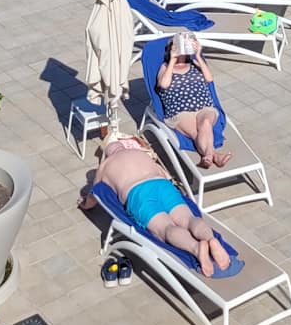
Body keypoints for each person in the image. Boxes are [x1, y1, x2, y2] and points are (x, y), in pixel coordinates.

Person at [78, 133, 231, 277]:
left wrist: (85, 204)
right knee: (189, 219)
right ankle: (210, 238)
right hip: (162, 185)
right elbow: (165, 175)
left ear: (107, 154)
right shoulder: (142, 154)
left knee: (166, 228)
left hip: (138, 193)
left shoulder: (106, 165)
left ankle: (196, 248)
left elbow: (96, 193)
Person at [156, 36, 232, 169]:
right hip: (179, 111)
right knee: (196, 134)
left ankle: (208, 157)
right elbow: (164, 84)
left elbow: (209, 79)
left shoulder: (195, 63)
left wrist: (198, 55)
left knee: (206, 123)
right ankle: (214, 156)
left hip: (204, 107)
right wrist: (173, 60)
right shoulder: (165, 67)